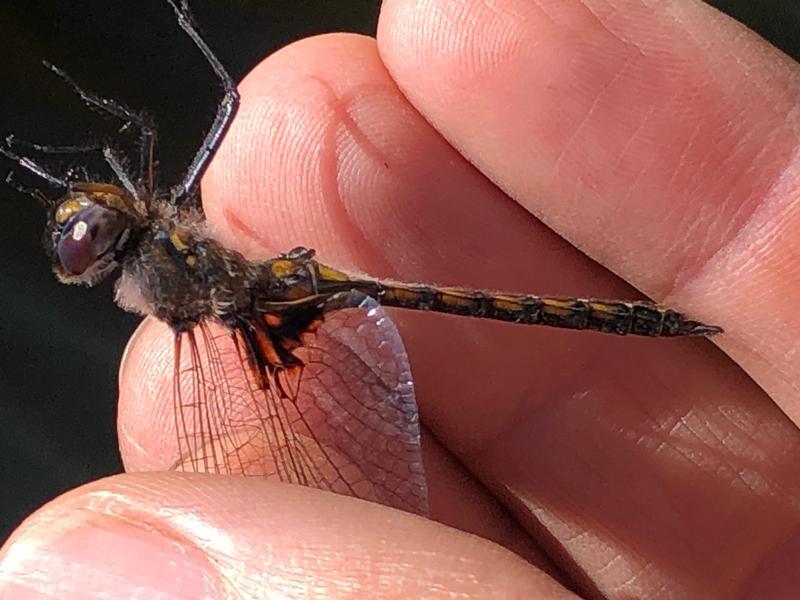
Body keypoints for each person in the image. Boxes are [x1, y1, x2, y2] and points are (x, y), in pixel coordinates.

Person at [2, 0, 799, 596]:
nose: (90, 208)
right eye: (89, 229)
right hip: (273, 310)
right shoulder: (173, 268)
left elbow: (156, 121)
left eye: (89, 216)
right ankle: (654, 324)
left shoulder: (151, 222)